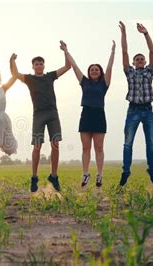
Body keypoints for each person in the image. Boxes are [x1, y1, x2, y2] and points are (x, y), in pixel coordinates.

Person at [10, 42, 71, 192]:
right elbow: (15, 74)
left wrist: (65, 50)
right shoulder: (30, 79)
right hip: (38, 114)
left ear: (44, 66)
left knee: (55, 144)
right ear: (33, 67)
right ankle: (34, 177)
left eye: (41, 64)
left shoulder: (50, 76)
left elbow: (67, 67)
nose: (38, 66)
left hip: (52, 113)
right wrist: (11, 61)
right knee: (37, 146)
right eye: (36, 64)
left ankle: (54, 176)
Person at [61, 40, 115, 187]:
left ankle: (99, 174)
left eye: (96, 69)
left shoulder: (104, 83)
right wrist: (66, 51)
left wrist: (112, 53)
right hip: (86, 115)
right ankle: (85, 174)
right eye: (91, 69)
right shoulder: (84, 82)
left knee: (99, 147)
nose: (94, 71)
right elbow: (74, 66)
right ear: (89, 72)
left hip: (99, 116)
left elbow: (110, 67)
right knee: (86, 148)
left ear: (100, 72)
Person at [118, 21, 153, 186]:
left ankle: (152, 170)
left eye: (142, 59)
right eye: (137, 59)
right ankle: (126, 171)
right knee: (128, 143)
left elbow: (152, 51)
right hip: (133, 110)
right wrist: (124, 34)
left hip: (148, 110)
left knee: (150, 142)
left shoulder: (150, 71)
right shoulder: (130, 72)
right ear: (134, 63)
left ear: (145, 61)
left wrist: (146, 34)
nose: (140, 60)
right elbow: (125, 52)